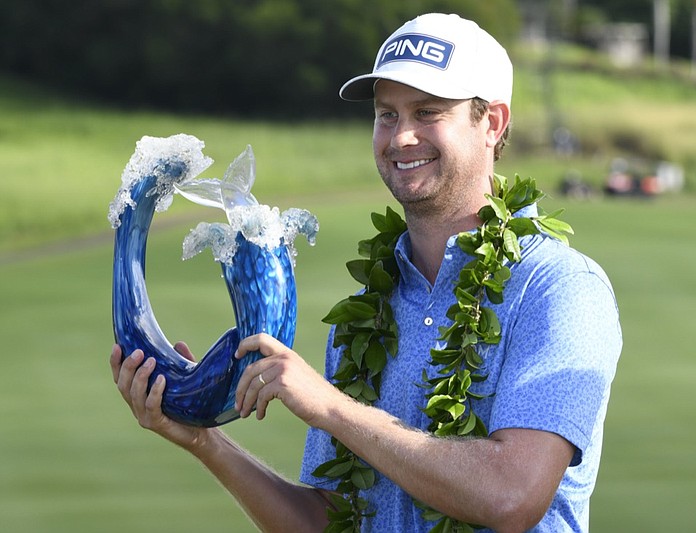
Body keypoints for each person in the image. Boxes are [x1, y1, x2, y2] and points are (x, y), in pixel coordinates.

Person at [111, 13, 622, 533]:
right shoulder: (367, 313)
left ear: (491, 123)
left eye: (427, 112)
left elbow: (512, 496)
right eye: (386, 114)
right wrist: (204, 441)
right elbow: (331, 523)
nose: (401, 138)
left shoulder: (558, 288)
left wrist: (331, 408)